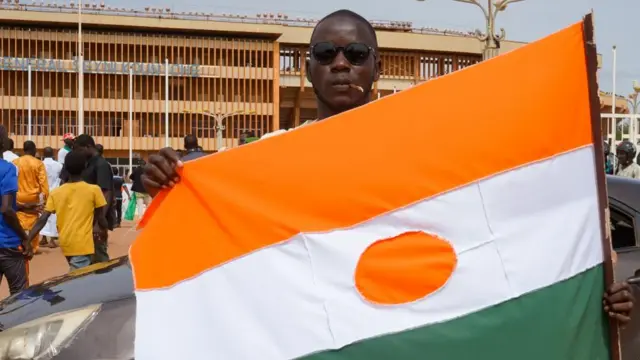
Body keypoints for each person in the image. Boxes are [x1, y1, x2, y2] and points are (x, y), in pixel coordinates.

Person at [141, 9, 635, 326]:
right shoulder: (264, 161)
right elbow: (225, 254)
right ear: (306, 68)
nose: (340, 63)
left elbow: (500, 238)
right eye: (326, 53)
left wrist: (586, 293)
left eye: (355, 54)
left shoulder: (430, 163)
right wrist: (166, 182)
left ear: (374, 69)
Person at [26, 151, 108, 271]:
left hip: (66, 242)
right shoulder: (94, 190)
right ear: (85, 166)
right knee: (77, 281)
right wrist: (105, 233)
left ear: (66, 169)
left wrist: (29, 240)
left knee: (84, 275)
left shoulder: (56, 193)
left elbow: (43, 219)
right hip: (84, 244)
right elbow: (101, 218)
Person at [0, 125, 31, 295]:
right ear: (3, 143)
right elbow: (6, 209)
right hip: (7, 243)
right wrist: (24, 237)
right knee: (19, 296)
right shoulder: (8, 169)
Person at [73, 134, 113, 263]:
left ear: (88, 147)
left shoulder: (101, 165)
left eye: (79, 149)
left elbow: (106, 194)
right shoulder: (88, 164)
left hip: (97, 220)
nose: (78, 153)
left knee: (99, 258)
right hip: (87, 219)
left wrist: (98, 223)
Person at [13, 141, 49, 255]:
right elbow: (44, 184)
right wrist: (46, 200)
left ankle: (18, 244)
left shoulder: (15, 163)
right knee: (34, 222)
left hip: (18, 197)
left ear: (24, 150)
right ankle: (32, 247)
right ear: (33, 149)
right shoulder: (38, 163)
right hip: (32, 198)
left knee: (18, 220)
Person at [40, 147, 63, 248]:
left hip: (43, 192)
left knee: (42, 214)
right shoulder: (58, 165)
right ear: (53, 154)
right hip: (55, 191)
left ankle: (44, 238)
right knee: (54, 215)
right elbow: (61, 179)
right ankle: (52, 240)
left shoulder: (40, 164)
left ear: (43, 154)